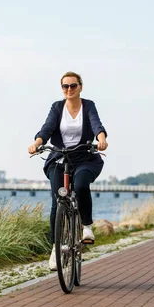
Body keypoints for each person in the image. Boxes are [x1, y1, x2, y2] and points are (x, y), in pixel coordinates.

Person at [28, 71, 108, 271]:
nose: (69, 90)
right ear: (62, 89)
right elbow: (46, 129)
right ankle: (56, 249)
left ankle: (87, 227)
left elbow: (96, 123)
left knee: (81, 185)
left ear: (80, 87)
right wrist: (37, 143)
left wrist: (101, 138)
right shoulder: (57, 107)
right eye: (65, 86)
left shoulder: (88, 105)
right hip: (60, 158)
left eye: (73, 86)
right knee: (57, 201)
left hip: (84, 157)